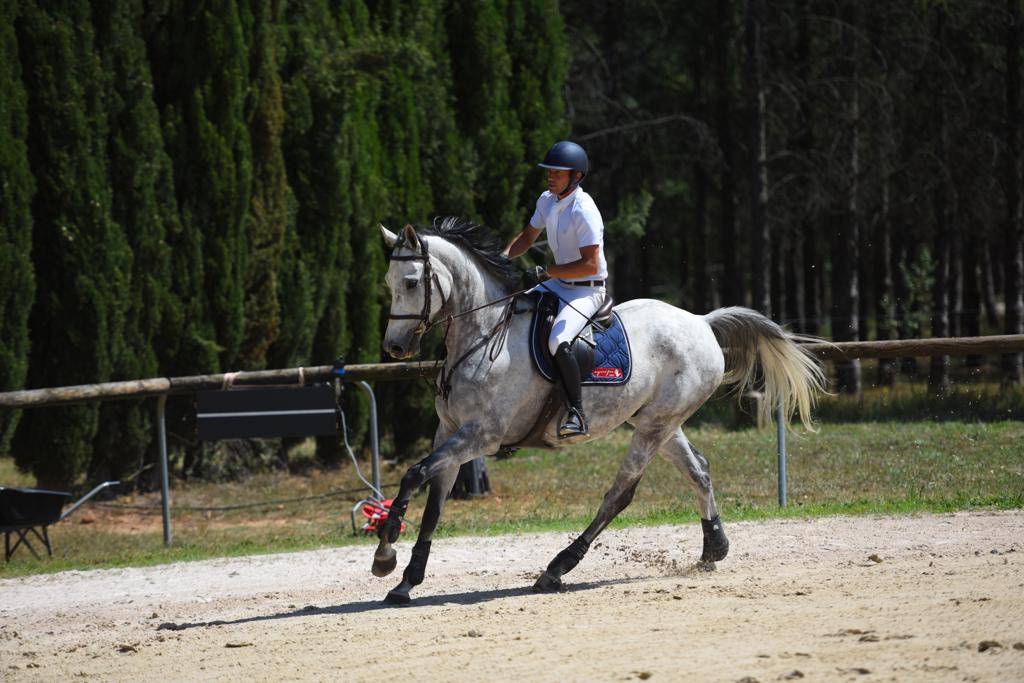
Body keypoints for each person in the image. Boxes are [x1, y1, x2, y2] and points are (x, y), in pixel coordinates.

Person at [504, 140, 608, 439]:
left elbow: (590, 265)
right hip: (560, 283)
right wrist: (499, 259)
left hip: (586, 290)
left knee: (558, 340)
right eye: (549, 170)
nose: (550, 176)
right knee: (512, 307)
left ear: (575, 176)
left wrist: (546, 271)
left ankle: (577, 411)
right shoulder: (547, 200)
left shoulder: (584, 210)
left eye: (557, 172)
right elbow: (526, 238)